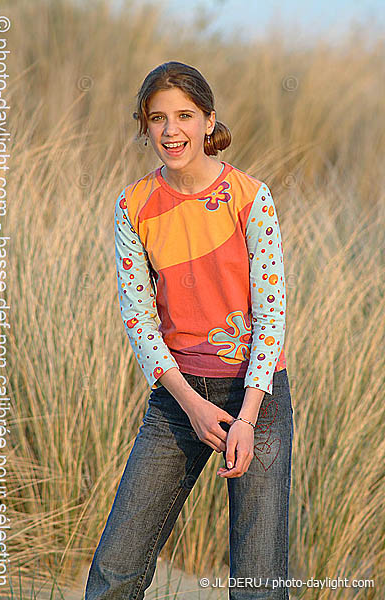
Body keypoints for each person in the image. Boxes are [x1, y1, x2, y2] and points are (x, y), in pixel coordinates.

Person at [85, 60, 293, 600]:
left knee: (259, 585)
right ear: (144, 125)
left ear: (208, 121)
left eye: (184, 115)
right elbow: (139, 320)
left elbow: (272, 312)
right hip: (177, 396)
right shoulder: (132, 206)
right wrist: (189, 403)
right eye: (157, 118)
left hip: (258, 398)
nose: (171, 130)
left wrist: (246, 415)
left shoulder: (251, 198)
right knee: (116, 571)